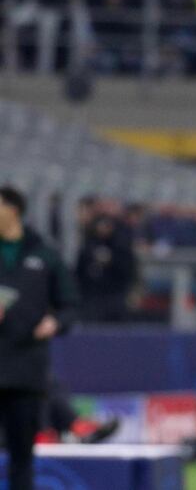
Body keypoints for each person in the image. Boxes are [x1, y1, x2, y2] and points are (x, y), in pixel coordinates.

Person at [0, 186, 79, 490]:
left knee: (22, 455)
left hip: (26, 371)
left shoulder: (44, 254)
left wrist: (55, 322)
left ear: (13, 209)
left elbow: (70, 305)